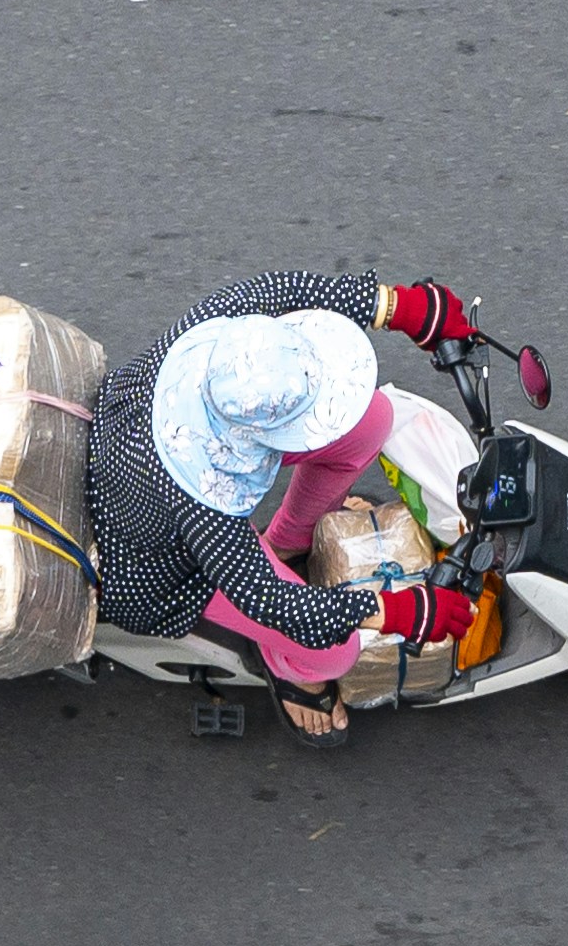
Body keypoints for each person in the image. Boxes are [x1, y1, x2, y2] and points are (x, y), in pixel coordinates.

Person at [89, 270, 484, 743]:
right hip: (159, 569)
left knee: (372, 420)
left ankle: (288, 543)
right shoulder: (206, 511)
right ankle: (289, 671)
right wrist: (400, 611)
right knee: (334, 652)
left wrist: (406, 308)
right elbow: (275, 603)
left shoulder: (217, 333)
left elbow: (288, 288)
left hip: (146, 450)